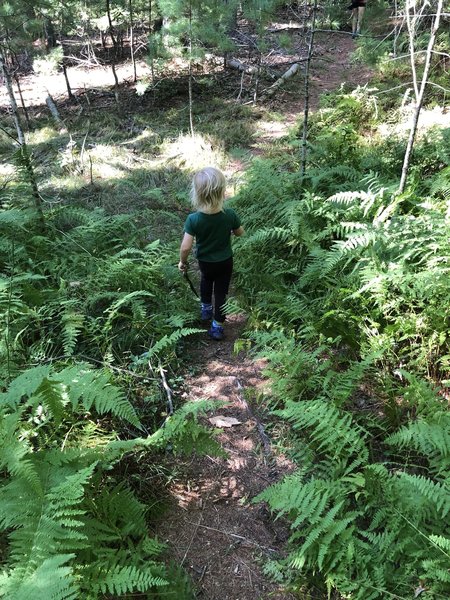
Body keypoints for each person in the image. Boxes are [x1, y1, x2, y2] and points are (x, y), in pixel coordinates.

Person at [178, 167, 244, 341]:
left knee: (206, 280)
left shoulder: (193, 219)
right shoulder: (229, 215)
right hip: (225, 261)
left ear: (197, 194)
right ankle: (217, 326)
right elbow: (240, 233)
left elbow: (185, 247)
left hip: (205, 262)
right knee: (221, 292)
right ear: (223, 191)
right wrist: (230, 230)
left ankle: (206, 308)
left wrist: (182, 262)